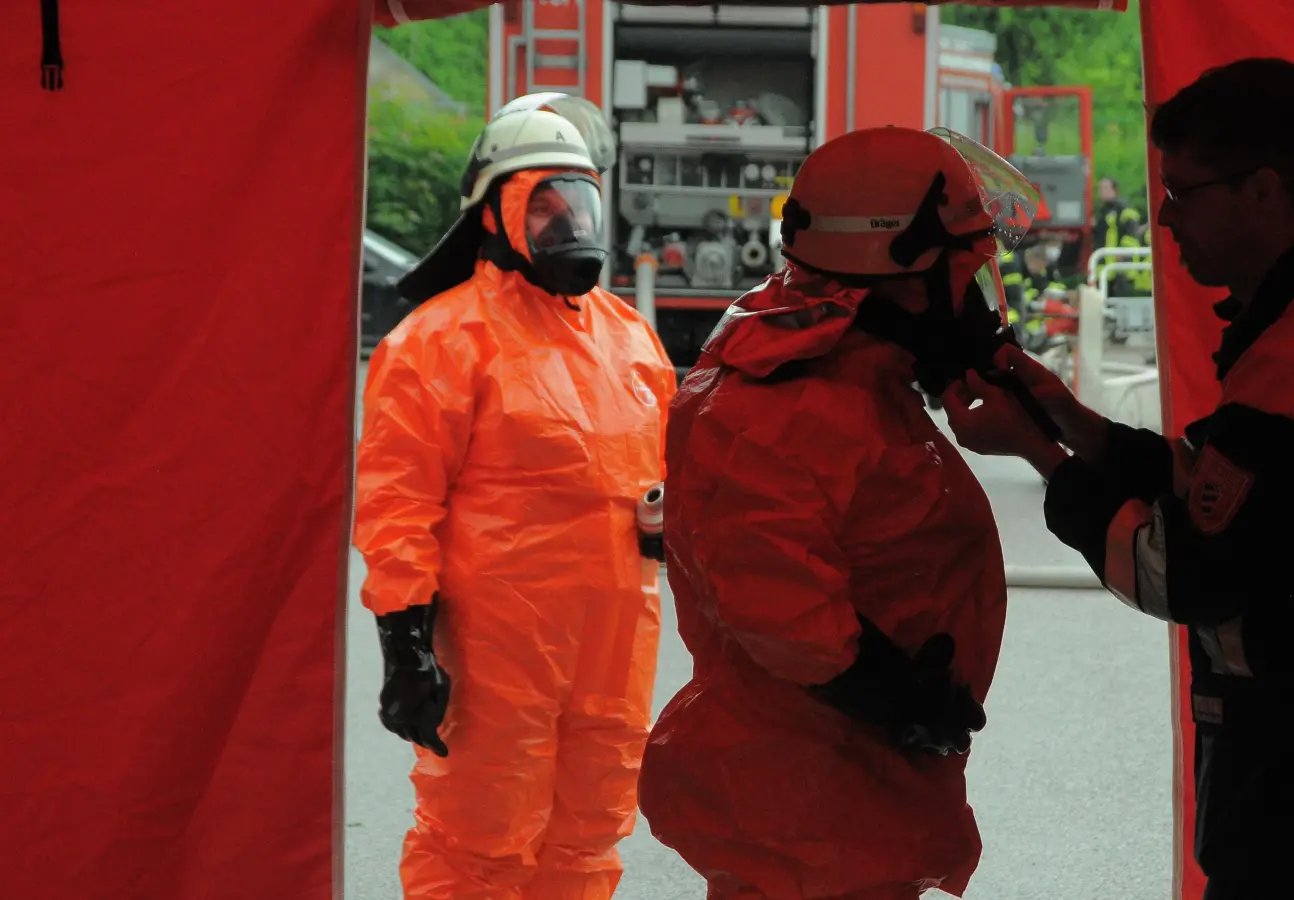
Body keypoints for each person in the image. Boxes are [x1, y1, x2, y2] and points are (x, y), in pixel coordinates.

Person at [942, 58, 1294, 900]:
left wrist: (1043, 459)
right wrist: (1069, 419)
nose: (1163, 216)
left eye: (1183, 192)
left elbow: (1182, 572)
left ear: (1262, 192)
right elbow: (1234, 488)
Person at [637, 125, 1043, 900]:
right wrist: (895, 694)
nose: (976, 304)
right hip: (805, 802)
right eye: (964, 273)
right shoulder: (778, 406)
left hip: (843, 788)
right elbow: (783, 609)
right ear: (899, 274)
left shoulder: (855, 375)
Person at [352, 93, 677, 900]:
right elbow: (397, 504)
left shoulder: (629, 340)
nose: (569, 223)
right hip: (496, 654)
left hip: (613, 650)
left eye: (579, 201)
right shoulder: (439, 341)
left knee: (589, 839)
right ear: (495, 213)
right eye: (545, 205)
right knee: (478, 847)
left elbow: (669, 475)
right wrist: (406, 644)